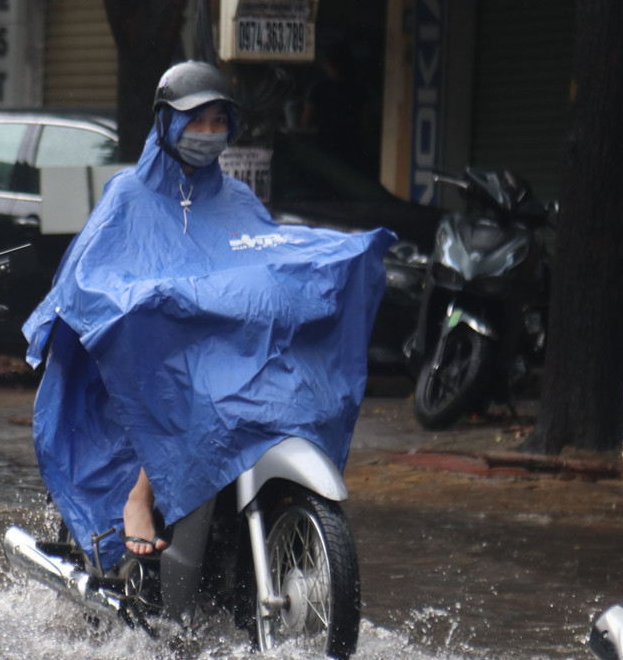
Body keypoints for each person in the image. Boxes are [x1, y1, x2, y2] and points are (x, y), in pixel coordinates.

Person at [23, 60, 393, 573]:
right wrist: (139, 303)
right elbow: (85, 280)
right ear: (165, 123)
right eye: (196, 120)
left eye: (219, 121)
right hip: (162, 357)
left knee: (284, 383)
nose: (209, 133)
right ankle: (139, 497)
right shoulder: (128, 194)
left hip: (226, 348)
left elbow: (263, 260)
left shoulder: (237, 197)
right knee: (193, 394)